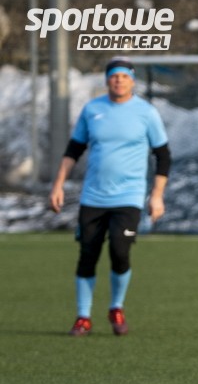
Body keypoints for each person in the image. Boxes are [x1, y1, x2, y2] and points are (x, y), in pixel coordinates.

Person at [49, 56, 171, 337]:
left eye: (124, 76)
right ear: (107, 80)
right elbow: (74, 150)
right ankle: (83, 317)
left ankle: (116, 307)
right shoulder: (93, 109)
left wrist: (157, 196)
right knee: (87, 256)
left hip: (129, 197)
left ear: (132, 81)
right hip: (93, 197)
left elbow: (163, 156)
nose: (119, 80)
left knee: (119, 251)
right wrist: (57, 186)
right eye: (114, 76)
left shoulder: (146, 112)